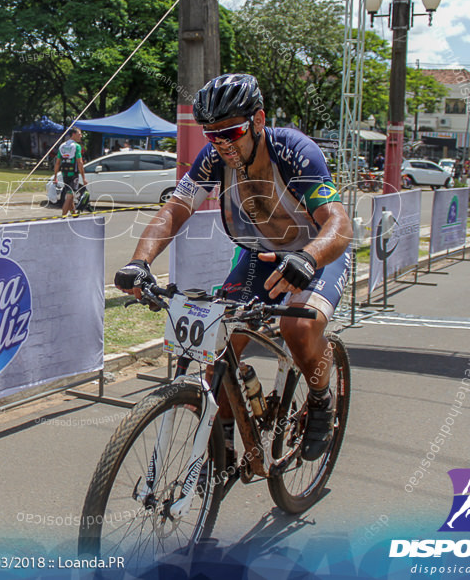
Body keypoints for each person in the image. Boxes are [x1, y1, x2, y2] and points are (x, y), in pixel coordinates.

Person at [113, 74, 353, 462]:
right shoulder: (213, 159)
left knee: (298, 326)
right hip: (260, 255)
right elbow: (174, 211)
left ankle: (322, 399)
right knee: (217, 347)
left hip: (316, 250)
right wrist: (139, 262)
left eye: (232, 131)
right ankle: (222, 440)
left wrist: (309, 258)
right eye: (212, 135)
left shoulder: (294, 150)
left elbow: (339, 224)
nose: (222, 144)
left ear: (258, 121)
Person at [54, 127, 87, 218]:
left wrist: (55, 176)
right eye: (79, 134)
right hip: (73, 175)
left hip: (65, 174)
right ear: (73, 134)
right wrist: (84, 178)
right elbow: (80, 163)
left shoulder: (62, 145)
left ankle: (74, 214)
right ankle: (63, 217)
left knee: (70, 194)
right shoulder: (76, 146)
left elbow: (57, 163)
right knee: (69, 197)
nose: (81, 136)